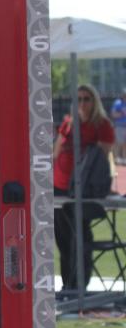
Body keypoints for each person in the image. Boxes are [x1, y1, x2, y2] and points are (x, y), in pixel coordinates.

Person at [53, 83, 114, 291]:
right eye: (78, 99)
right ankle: (67, 285)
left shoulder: (101, 124)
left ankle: (81, 284)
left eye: (86, 99)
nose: (82, 103)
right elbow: (56, 151)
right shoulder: (69, 123)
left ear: (94, 101)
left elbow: (102, 158)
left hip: (83, 189)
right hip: (59, 186)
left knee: (80, 238)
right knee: (62, 239)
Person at [109, 89, 126, 165]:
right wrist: (122, 113)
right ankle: (117, 158)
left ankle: (124, 158)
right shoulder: (117, 103)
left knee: (125, 144)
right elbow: (113, 114)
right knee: (119, 143)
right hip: (120, 126)